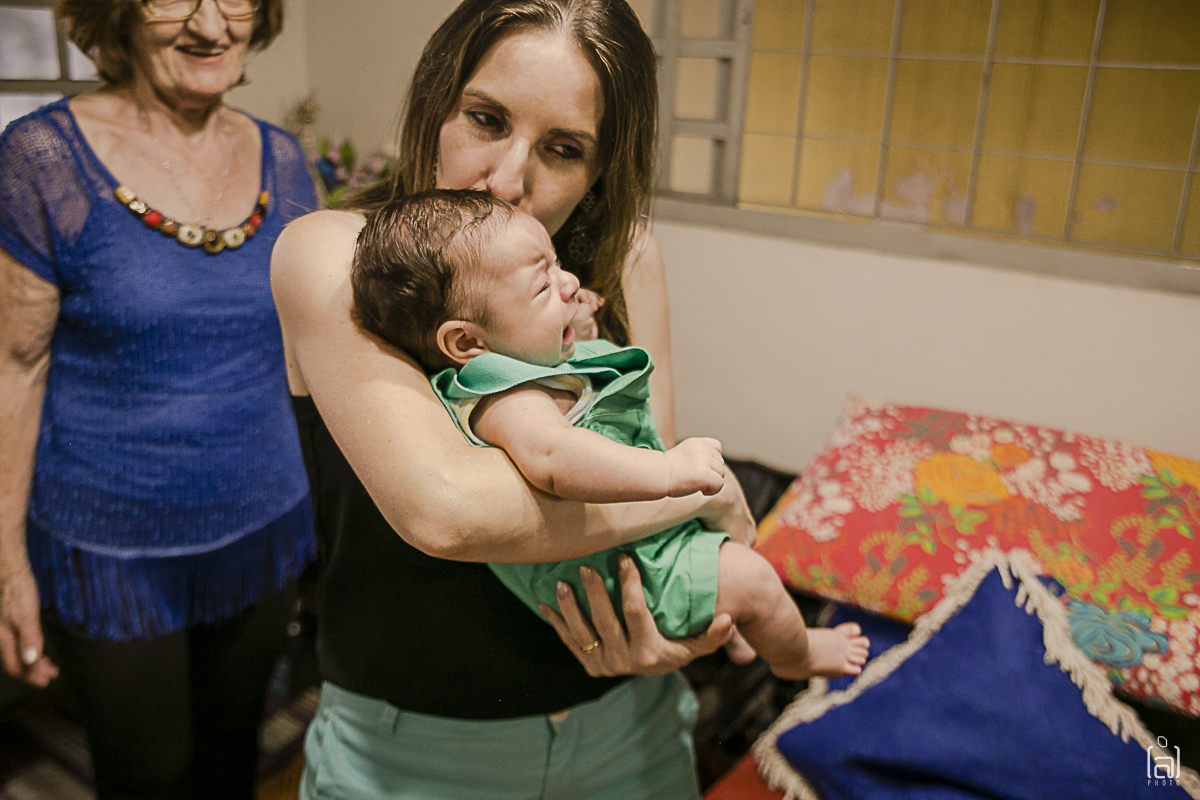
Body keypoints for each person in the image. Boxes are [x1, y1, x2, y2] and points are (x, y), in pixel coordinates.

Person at [271, 1, 832, 797]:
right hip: (410, 755)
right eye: (486, 119)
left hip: (631, 731)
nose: (507, 181)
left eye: (563, 149)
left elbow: (638, 470)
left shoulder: (626, 258)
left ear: (603, 166)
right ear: (435, 102)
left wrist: (666, 623)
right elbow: (448, 513)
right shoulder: (337, 254)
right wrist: (697, 492)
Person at [351, 188, 871, 681]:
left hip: (635, 542)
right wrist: (667, 470)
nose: (569, 283)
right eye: (542, 285)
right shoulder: (506, 399)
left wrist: (574, 330)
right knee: (754, 579)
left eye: (557, 264)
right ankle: (798, 656)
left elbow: (576, 387)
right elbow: (555, 456)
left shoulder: (522, 360)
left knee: (730, 569)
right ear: (468, 343)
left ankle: (740, 627)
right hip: (619, 569)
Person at [0, 0, 317, 797]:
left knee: (230, 752)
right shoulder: (42, 156)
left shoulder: (283, 158)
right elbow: (14, 368)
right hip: (113, 545)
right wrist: (7, 565)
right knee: (147, 773)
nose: (210, 25)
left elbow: (315, 346)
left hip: (263, 525)